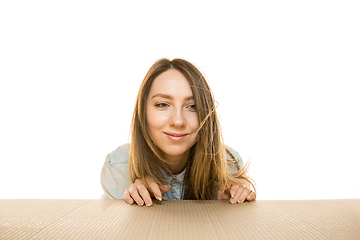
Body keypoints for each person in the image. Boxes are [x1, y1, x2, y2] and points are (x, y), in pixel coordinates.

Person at [101, 58, 256, 207]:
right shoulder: (117, 169)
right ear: (143, 112)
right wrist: (134, 204)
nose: (178, 121)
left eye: (192, 106)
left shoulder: (229, 164)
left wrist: (234, 202)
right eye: (162, 104)